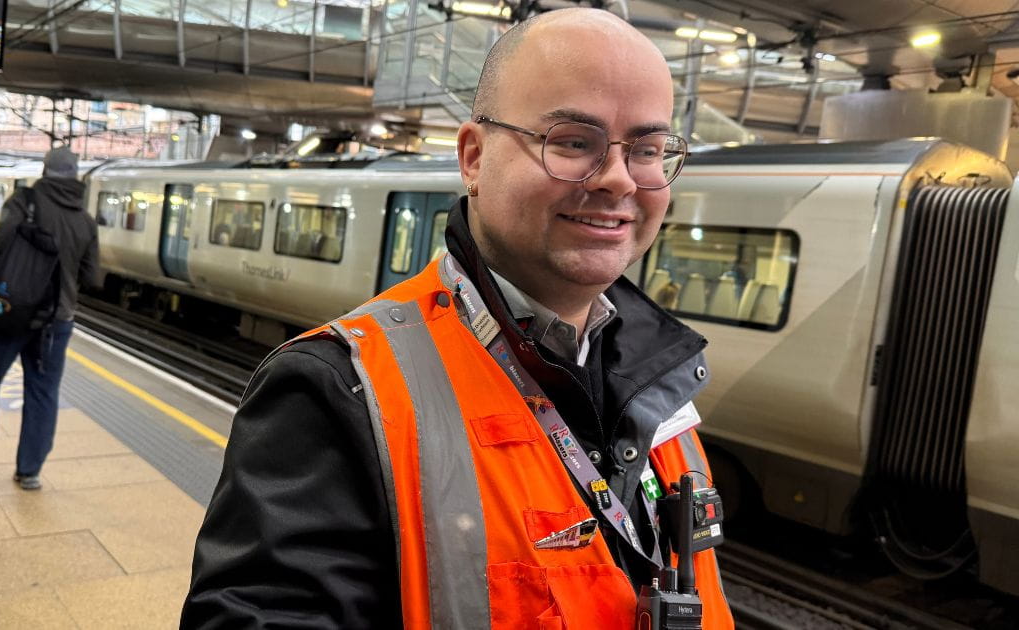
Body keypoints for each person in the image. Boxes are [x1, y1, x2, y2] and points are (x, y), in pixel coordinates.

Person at [182, 9, 733, 629]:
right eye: (574, 141)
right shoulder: (336, 391)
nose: (617, 179)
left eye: (648, 149)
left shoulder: (663, 386)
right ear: (473, 157)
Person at [0, 147, 100, 491]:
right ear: (75, 177)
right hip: (58, 321)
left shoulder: (24, 202)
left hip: (11, 313)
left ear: (45, 171)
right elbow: (92, 278)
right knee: (43, 394)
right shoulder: (86, 221)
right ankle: (29, 471)